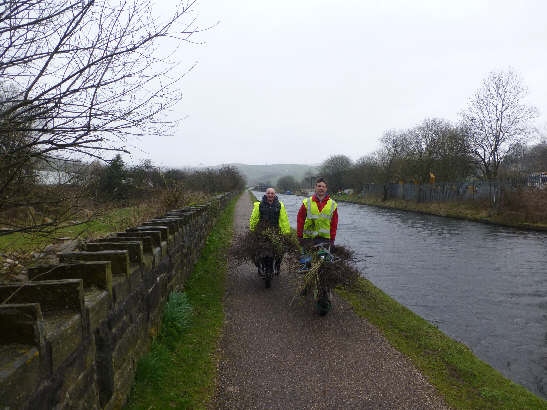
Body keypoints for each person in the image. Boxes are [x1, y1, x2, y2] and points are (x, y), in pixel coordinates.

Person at [249, 187, 291, 273]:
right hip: (262, 231)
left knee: (280, 250)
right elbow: (254, 219)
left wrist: (286, 232)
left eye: (272, 193)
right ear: (265, 194)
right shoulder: (259, 205)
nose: (270, 195)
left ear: (275, 194)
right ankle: (260, 266)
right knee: (257, 250)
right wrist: (253, 230)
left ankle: (277, 265)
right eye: (268, 193)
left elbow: (284, 220)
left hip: (275, 231)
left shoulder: (280, 205)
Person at [296, 177, 338, 249]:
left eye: (323, 186)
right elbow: (300, 220)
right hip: (308, 239)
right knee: (308, 259)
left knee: (323, 259)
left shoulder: (332, 204)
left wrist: (332, 239)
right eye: (319, 186)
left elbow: (334, 224)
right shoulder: (307, 202)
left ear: (326, 189)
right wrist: (300, 236)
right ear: (315, 187)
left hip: (325, 239)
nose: (321, 188)